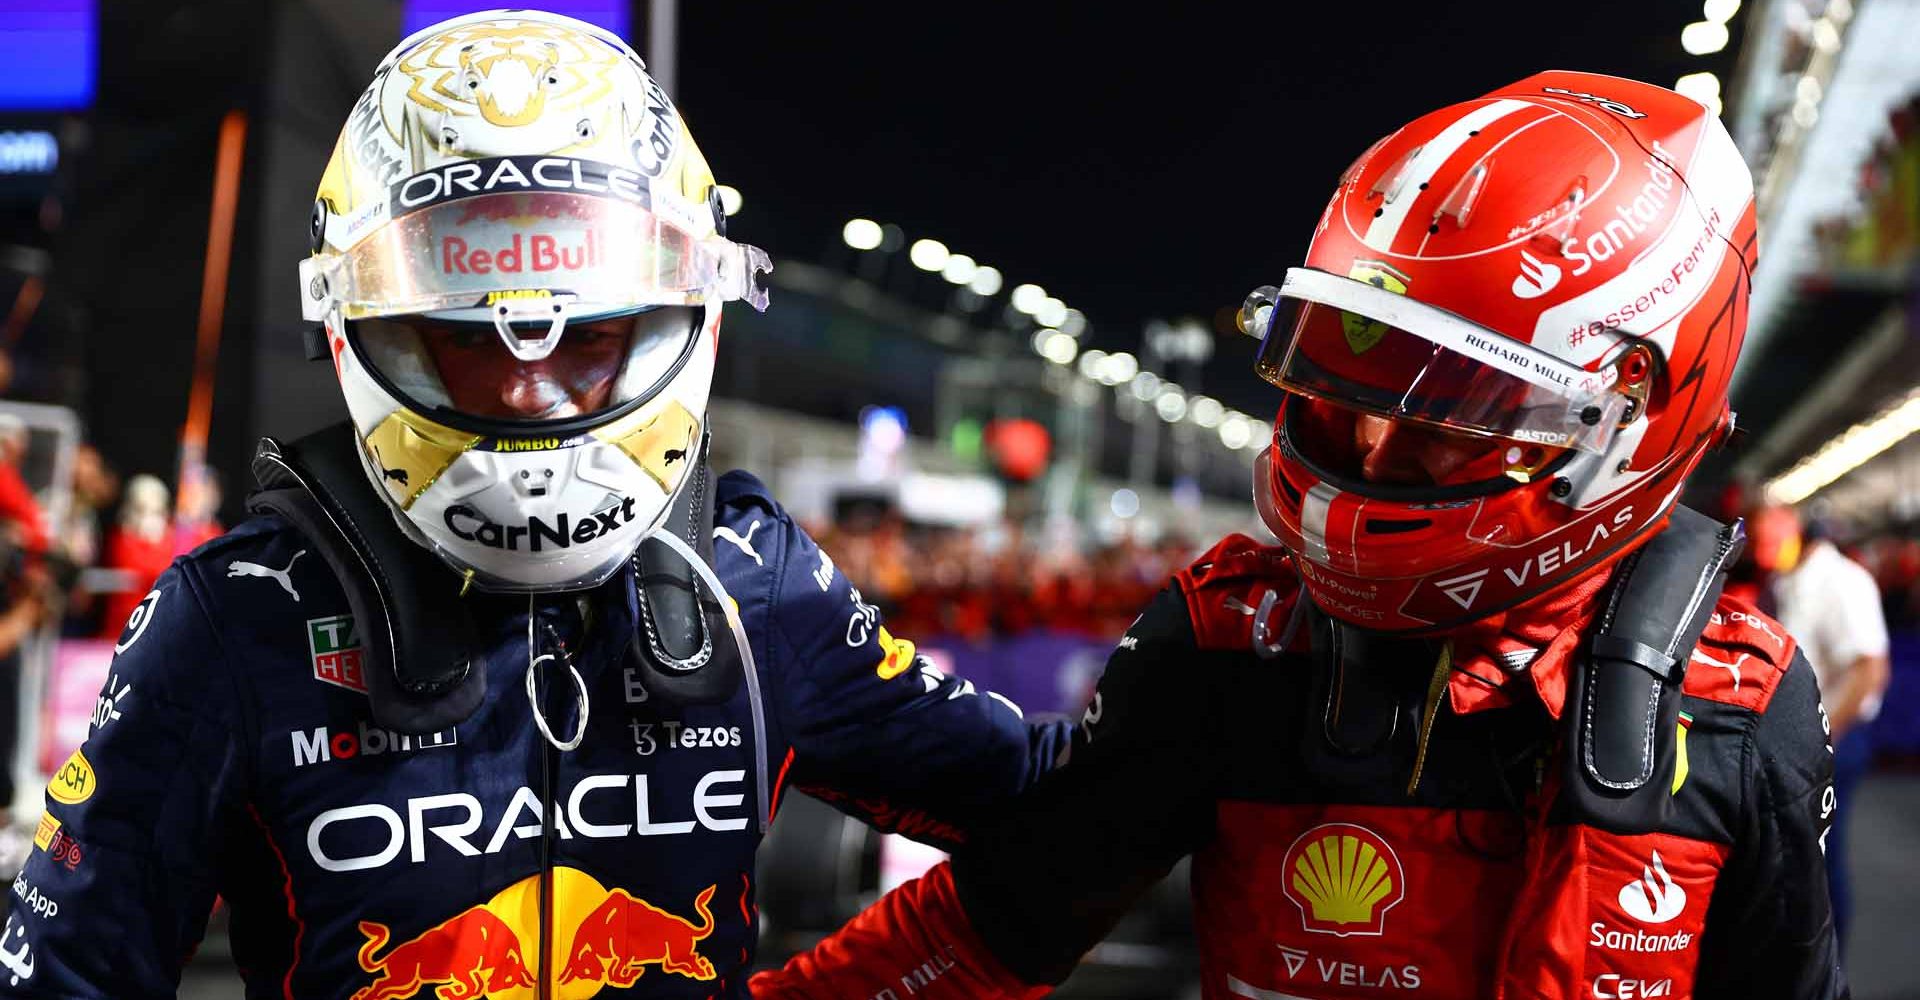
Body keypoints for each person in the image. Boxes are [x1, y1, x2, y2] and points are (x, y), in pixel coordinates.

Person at [0, 10, 1066, 996]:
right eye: (467, 336)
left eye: (591, 335)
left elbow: (1057, 807)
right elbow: (62, 977)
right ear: (357, 329)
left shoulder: (756, 582)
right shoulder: (236, 618)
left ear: (688, 313)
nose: (526, 386)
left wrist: (1198, 683)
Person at [754, 71, 1845, 999]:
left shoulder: (1743, 701)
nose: (1375, 449)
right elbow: (992, 925)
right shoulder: (1227, 641)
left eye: (1454, 408)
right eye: (1357, 375)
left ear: (1626, 418)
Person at [1762, 506, 1890, 949]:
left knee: (1820, 856)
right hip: (1806, 740)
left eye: (1770, 537)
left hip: (1837, 738)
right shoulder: (1788, 580)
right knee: (1799, 856)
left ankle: (1828, 966)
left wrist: (1824, 739)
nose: (1764, 549)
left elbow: (1870, 669)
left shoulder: (1841, 582)